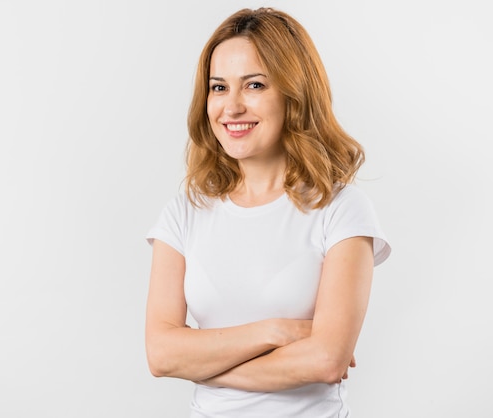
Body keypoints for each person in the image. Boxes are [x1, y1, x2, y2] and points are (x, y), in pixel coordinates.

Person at [145, 7, 391, 418]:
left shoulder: (342, 211)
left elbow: (326, 361)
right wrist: (274, 332)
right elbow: (160, 353)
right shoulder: (184, 213)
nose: (232, 106)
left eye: (255, 85)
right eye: (219, 88)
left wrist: (202, 363)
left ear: (294, 94)